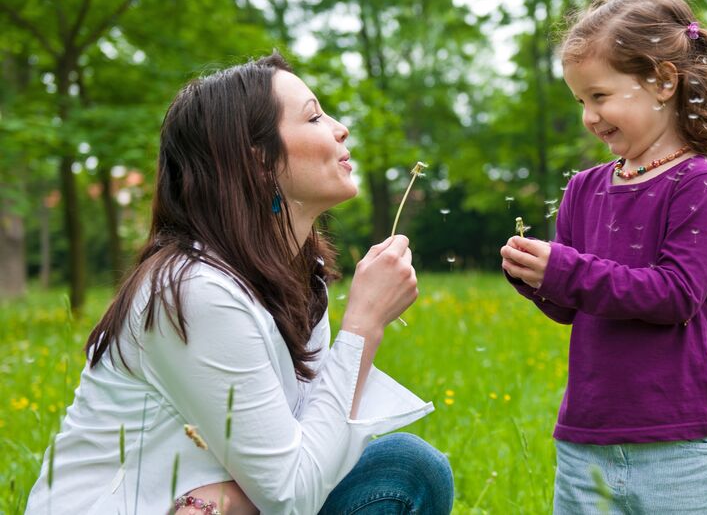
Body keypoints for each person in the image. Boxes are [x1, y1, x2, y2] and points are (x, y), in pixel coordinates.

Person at [26, 53, 453, 515]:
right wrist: (365, 324)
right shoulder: (194, 290)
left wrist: (229, 499)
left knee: (408, 468)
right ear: (259, 161)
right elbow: (291, 493)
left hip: (213, 501)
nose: (339, 127)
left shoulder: (298, 277)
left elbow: (308, 448)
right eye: (313, 116)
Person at [501, 0, 707, 514]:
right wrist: (535, 278)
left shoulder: (698, 185)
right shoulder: (584, 188)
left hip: (676, 442)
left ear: (662, 82)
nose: (589, 115)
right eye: (579, 101)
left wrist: (564, 269)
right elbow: (572, 304)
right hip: (586, 435)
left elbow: (676, 295)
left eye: (600, 96)